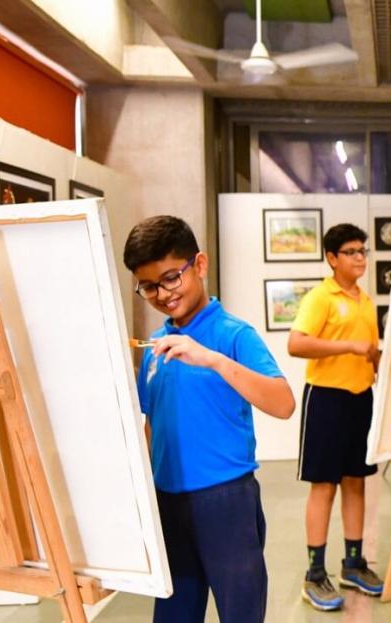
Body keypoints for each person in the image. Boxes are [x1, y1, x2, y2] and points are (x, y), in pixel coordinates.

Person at [125, 215, 296, 623]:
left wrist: (214, 360)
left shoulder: (234, 335)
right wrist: (143, 493)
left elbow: (284, 403)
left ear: (199, 265)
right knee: (174, 613)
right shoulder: (154, 347)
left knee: (240, 612)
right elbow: (151, 424)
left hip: (226, 501)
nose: (162, 294)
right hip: (169, 502)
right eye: (148, 286)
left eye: (171, 278)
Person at [287, 224, 385, 611]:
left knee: (356, 482)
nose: (360, 258)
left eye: (363, 251)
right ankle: (314, 574)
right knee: (324, 486)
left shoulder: (366, 301)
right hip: (326, 399)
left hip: (361, 398)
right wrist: (348, 346)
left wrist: (382, 361)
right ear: (332, 258)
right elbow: (296, 344)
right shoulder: (320, 298)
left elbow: (370, 352)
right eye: (351, 252)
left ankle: (353, 564)